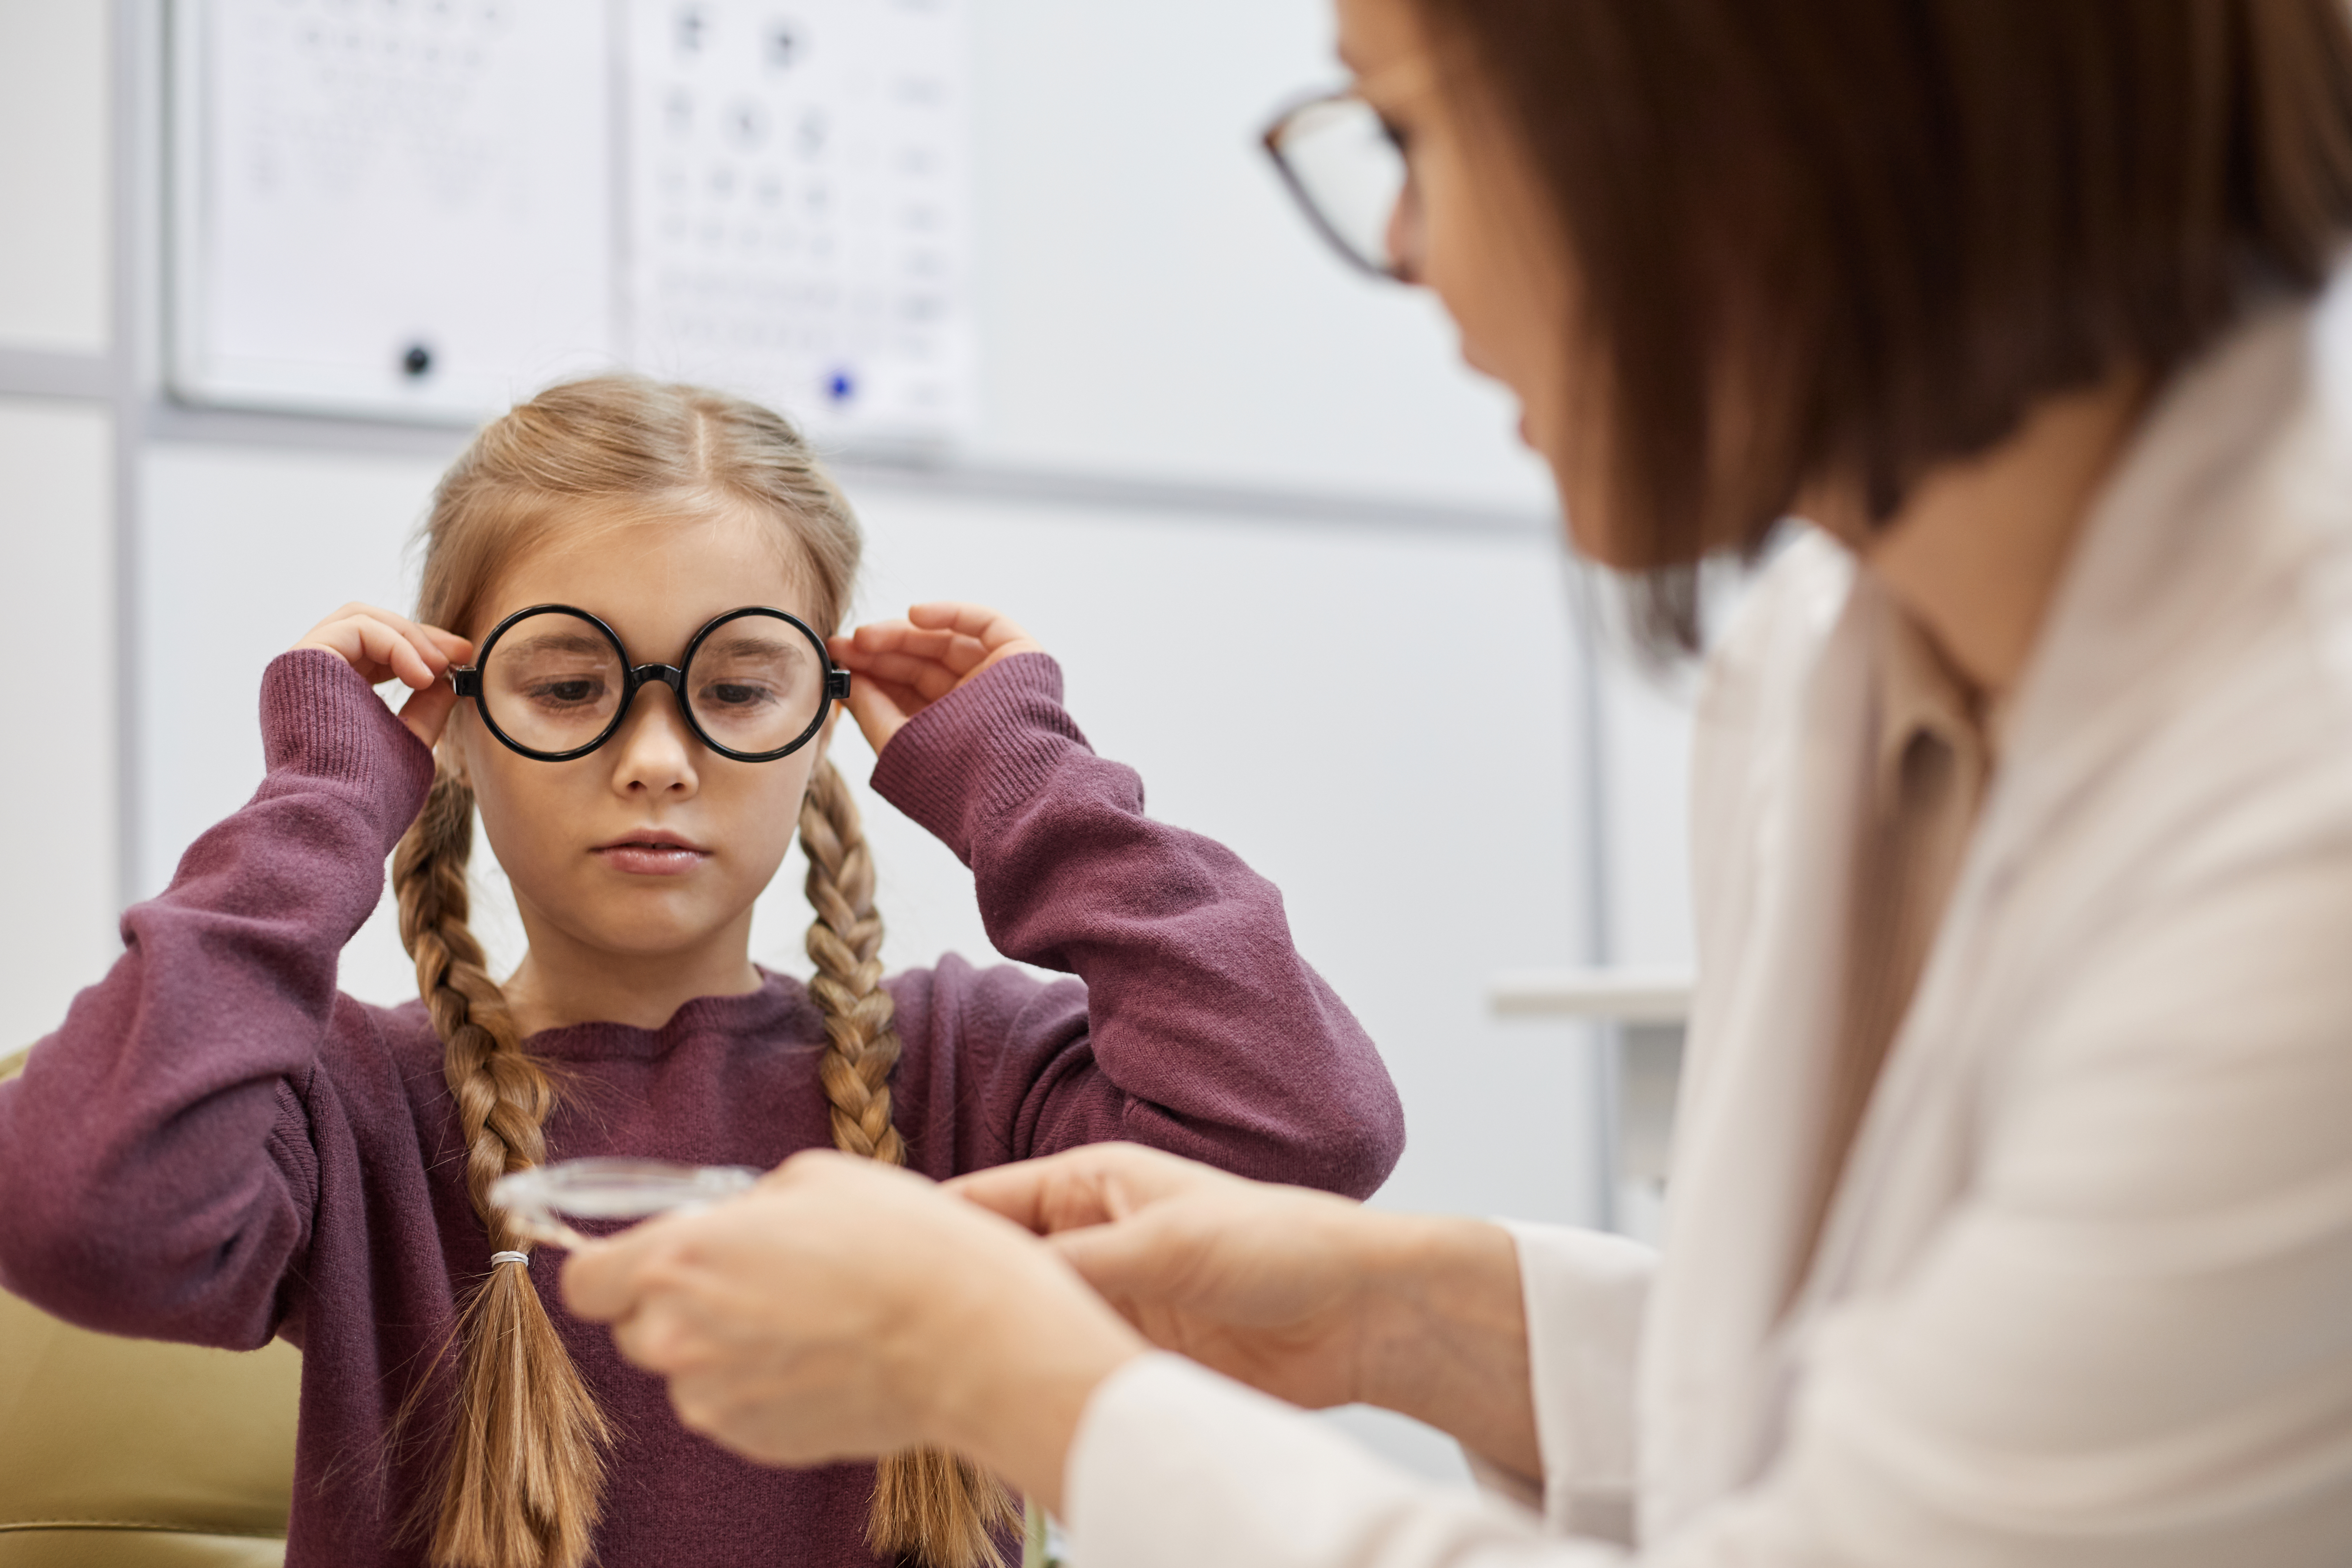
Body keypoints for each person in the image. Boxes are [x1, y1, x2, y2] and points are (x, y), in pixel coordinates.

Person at [556, 1, 2352, 1563]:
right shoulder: (1832, 672)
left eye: (1413, 126)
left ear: (1766, 114)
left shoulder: (2300, 837)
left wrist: (1017, 1380)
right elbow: (1900, 1384)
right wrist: (1403, 1312)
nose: (1408, 243)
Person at [0, 374, 1406, 1568]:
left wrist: (1028, 781)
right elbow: (84, 1210)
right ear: (456, 721)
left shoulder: (969, 1071)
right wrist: (323, 803)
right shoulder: (342, 1107)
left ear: (821, 725)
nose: (659, 757)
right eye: (567, 687)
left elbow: (1309, 1132)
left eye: (735, 691)